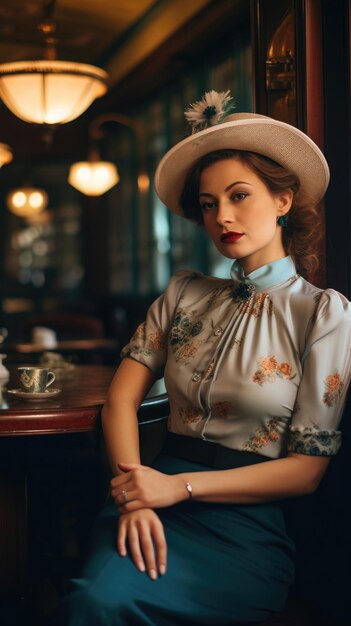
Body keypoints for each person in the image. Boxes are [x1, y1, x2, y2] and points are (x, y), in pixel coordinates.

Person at [62, 90, 351, 625]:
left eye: (240, 196)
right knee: (99, 599)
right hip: (146, 496)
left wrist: (180, 487)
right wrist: (138, 493)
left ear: (283, 200)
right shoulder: (183, 294)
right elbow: (120, 402)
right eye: (209, 203)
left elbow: (307, 471)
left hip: (246, 525)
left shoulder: (323, 315)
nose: (223, 216)